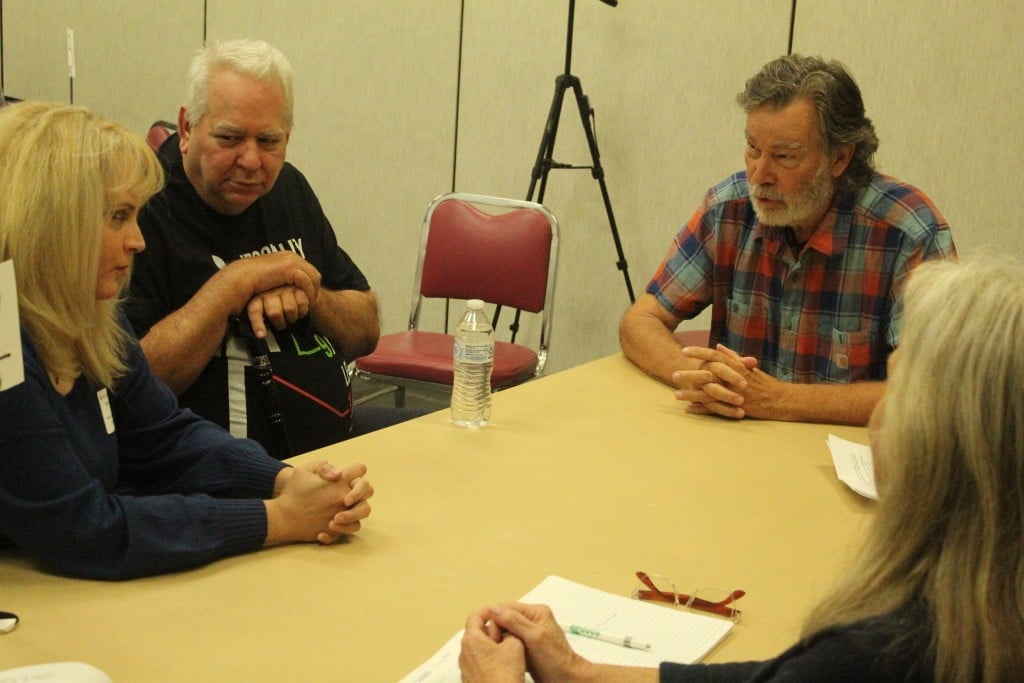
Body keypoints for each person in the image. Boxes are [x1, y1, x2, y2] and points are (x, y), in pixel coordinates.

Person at [461, 256, 1024, 682]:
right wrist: (579, 670)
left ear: (942, 439)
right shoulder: (984, 616)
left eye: (896, 388)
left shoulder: (886, 653)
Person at [0, 102, 374, 581]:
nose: (137, 241)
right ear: (50, 223)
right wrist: (277, 519)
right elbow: (85, 529)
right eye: (118, 217)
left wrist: (283, 480)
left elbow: (166, 435)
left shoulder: (88, 320)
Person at [618, 55, 956, 426]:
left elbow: (932, 392)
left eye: (784, 156)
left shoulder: (909, 232)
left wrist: (780, 400)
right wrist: (701, 378)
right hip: (734, 447)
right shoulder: (728, 210)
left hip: (844, 458)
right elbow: (640, 320)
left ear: (839, 158)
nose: (759, 174)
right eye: (752, 148)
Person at [126, 39, 422, 459]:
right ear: (188, 128)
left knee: (463, 443)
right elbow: (131, 384)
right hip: (219, 475)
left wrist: (309, 293)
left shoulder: (289, 189)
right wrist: (234, 284)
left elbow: (365, 330)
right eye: (229, 138)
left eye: (269, 141)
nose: (251, 161)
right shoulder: (139, 207)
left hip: (333, 445)